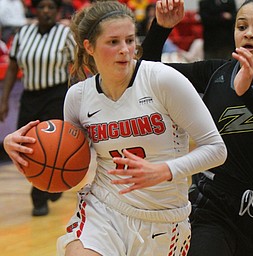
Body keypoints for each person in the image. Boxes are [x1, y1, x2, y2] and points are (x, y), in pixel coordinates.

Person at [3, 1, 227, 255]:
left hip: (163, 220)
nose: (125, 50)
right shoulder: (78, 97)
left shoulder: (163, 80)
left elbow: (216, 149)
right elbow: (72, 162)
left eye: (130, 40)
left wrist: (165, 170)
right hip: (104, 210)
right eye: (113, 42)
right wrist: (24, 150)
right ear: (89, 47)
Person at [142, 0, 253, 255]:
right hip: (213, 200)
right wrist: (160, 28)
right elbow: (148, 73)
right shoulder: (215, 71)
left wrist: (247, 95)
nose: (249, 33)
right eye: (241, 26)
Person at [0, 0, 76, 216]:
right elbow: (13, 66)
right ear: (35, 10)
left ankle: (40, 195)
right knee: (28, 147)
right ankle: (49, 185)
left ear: (57, 11)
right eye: (42, 7)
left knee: (51, 148)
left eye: (50, 7)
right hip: (30, 95)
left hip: (57, 95)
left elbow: (77, 66)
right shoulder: (23, 33)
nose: (46, 11)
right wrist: (4, 100)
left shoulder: (65, 34)